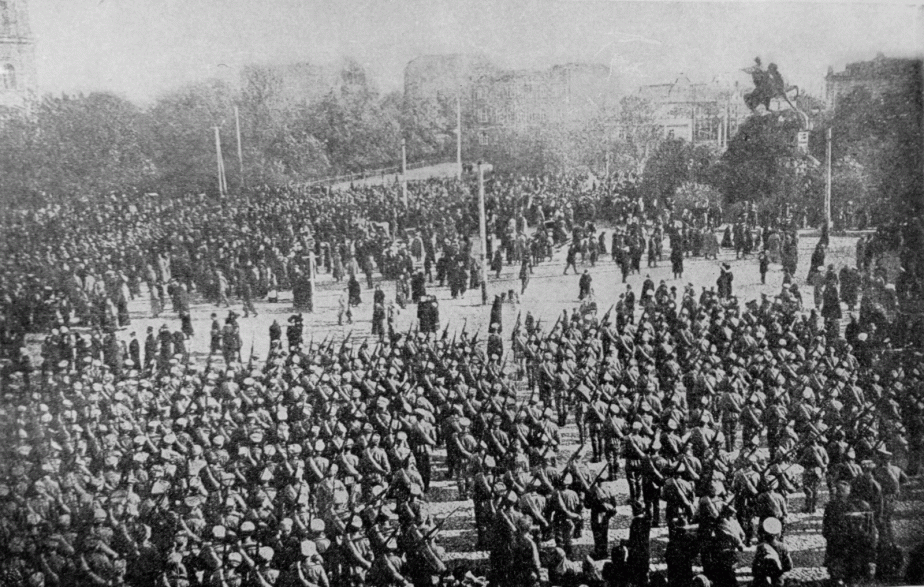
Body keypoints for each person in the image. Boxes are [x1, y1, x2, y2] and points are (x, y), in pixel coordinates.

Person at [751, 517, 792, 587]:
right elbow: (789, 566)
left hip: (763, 581)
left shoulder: (761, 547)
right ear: (778, 533)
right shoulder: (783, 547)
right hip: (778, 579)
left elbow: (754, 568)